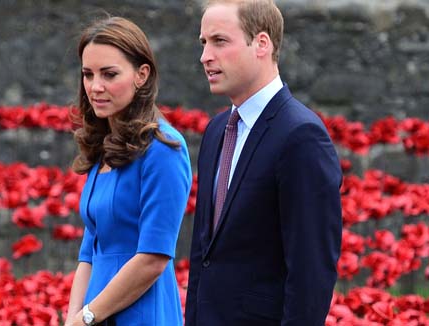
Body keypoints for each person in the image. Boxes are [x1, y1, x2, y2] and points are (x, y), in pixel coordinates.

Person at [185, 1, 342, 325]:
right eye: (204, 43)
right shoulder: (216, 132)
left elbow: (311, 274)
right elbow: (204, 255)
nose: (205, 56)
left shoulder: (301, 136)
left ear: (261, 43)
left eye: (219, 41)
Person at [65, 16, 193, 326]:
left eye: (109, 74)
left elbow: (153, 258)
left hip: (142, 313)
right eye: (88, 74)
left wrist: (87, 317)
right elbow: (89, 252)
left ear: (141, 74)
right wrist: (73, 318)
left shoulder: (164, 150)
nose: (96, 86)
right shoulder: (104, 148)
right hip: (95, 313)